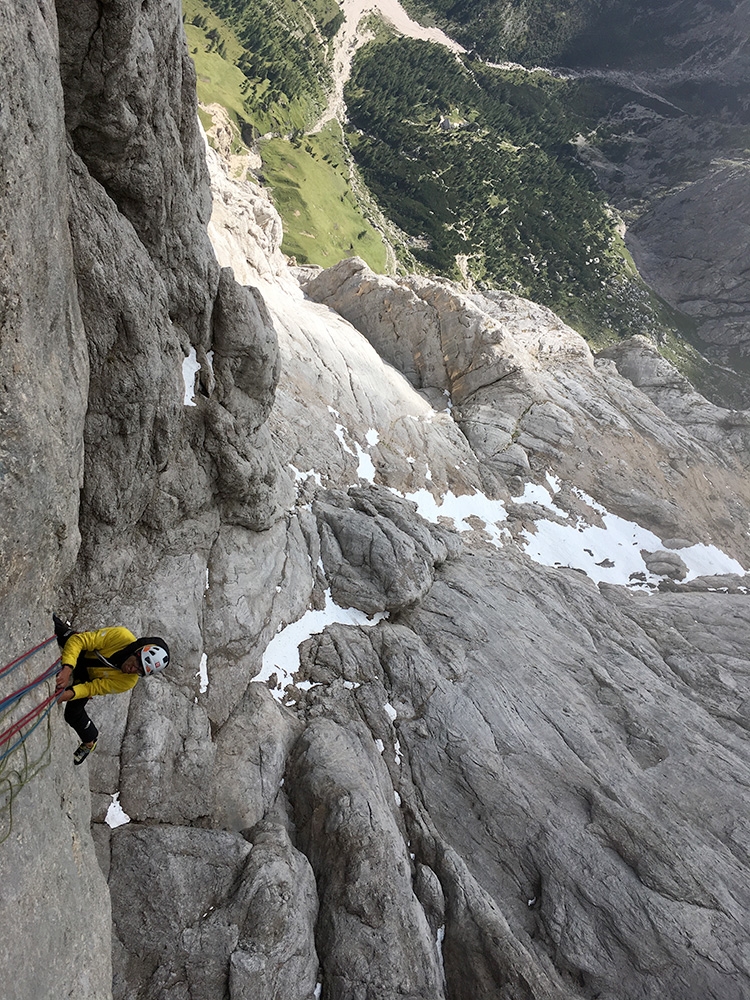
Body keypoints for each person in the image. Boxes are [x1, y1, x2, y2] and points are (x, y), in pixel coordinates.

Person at [53, 615, 170, 765]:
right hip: (84, 651)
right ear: (137, 652)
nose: (132, 670)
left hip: (88, 678)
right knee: (58, 629)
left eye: (140, 671)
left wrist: (69, 694)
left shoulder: (128, 682)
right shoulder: (121, 636)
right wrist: (67, 668)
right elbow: (79, 640)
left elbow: (93, 687)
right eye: (137, 663)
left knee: (72, 713)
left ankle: (90, 740)